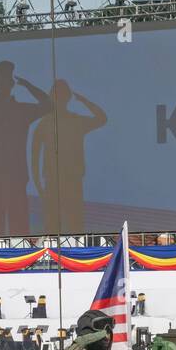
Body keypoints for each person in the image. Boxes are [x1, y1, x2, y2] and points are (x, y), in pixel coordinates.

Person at [0, 61, 53, 235]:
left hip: (17, 178)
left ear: (11, 84)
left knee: (20, 230)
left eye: (6, 80)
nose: (3, 84)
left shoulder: (21, 110)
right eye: (0, 80)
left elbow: (49, 105)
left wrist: (29, 86)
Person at [30, 79, 107, 234]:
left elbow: (102, 119)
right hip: (53, 182)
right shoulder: (45, 124)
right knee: (53, 227)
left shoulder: (75, 121)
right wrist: (39, 186)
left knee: (75, 226)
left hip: (72, 182)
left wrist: (84, 101)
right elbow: (35, 157)